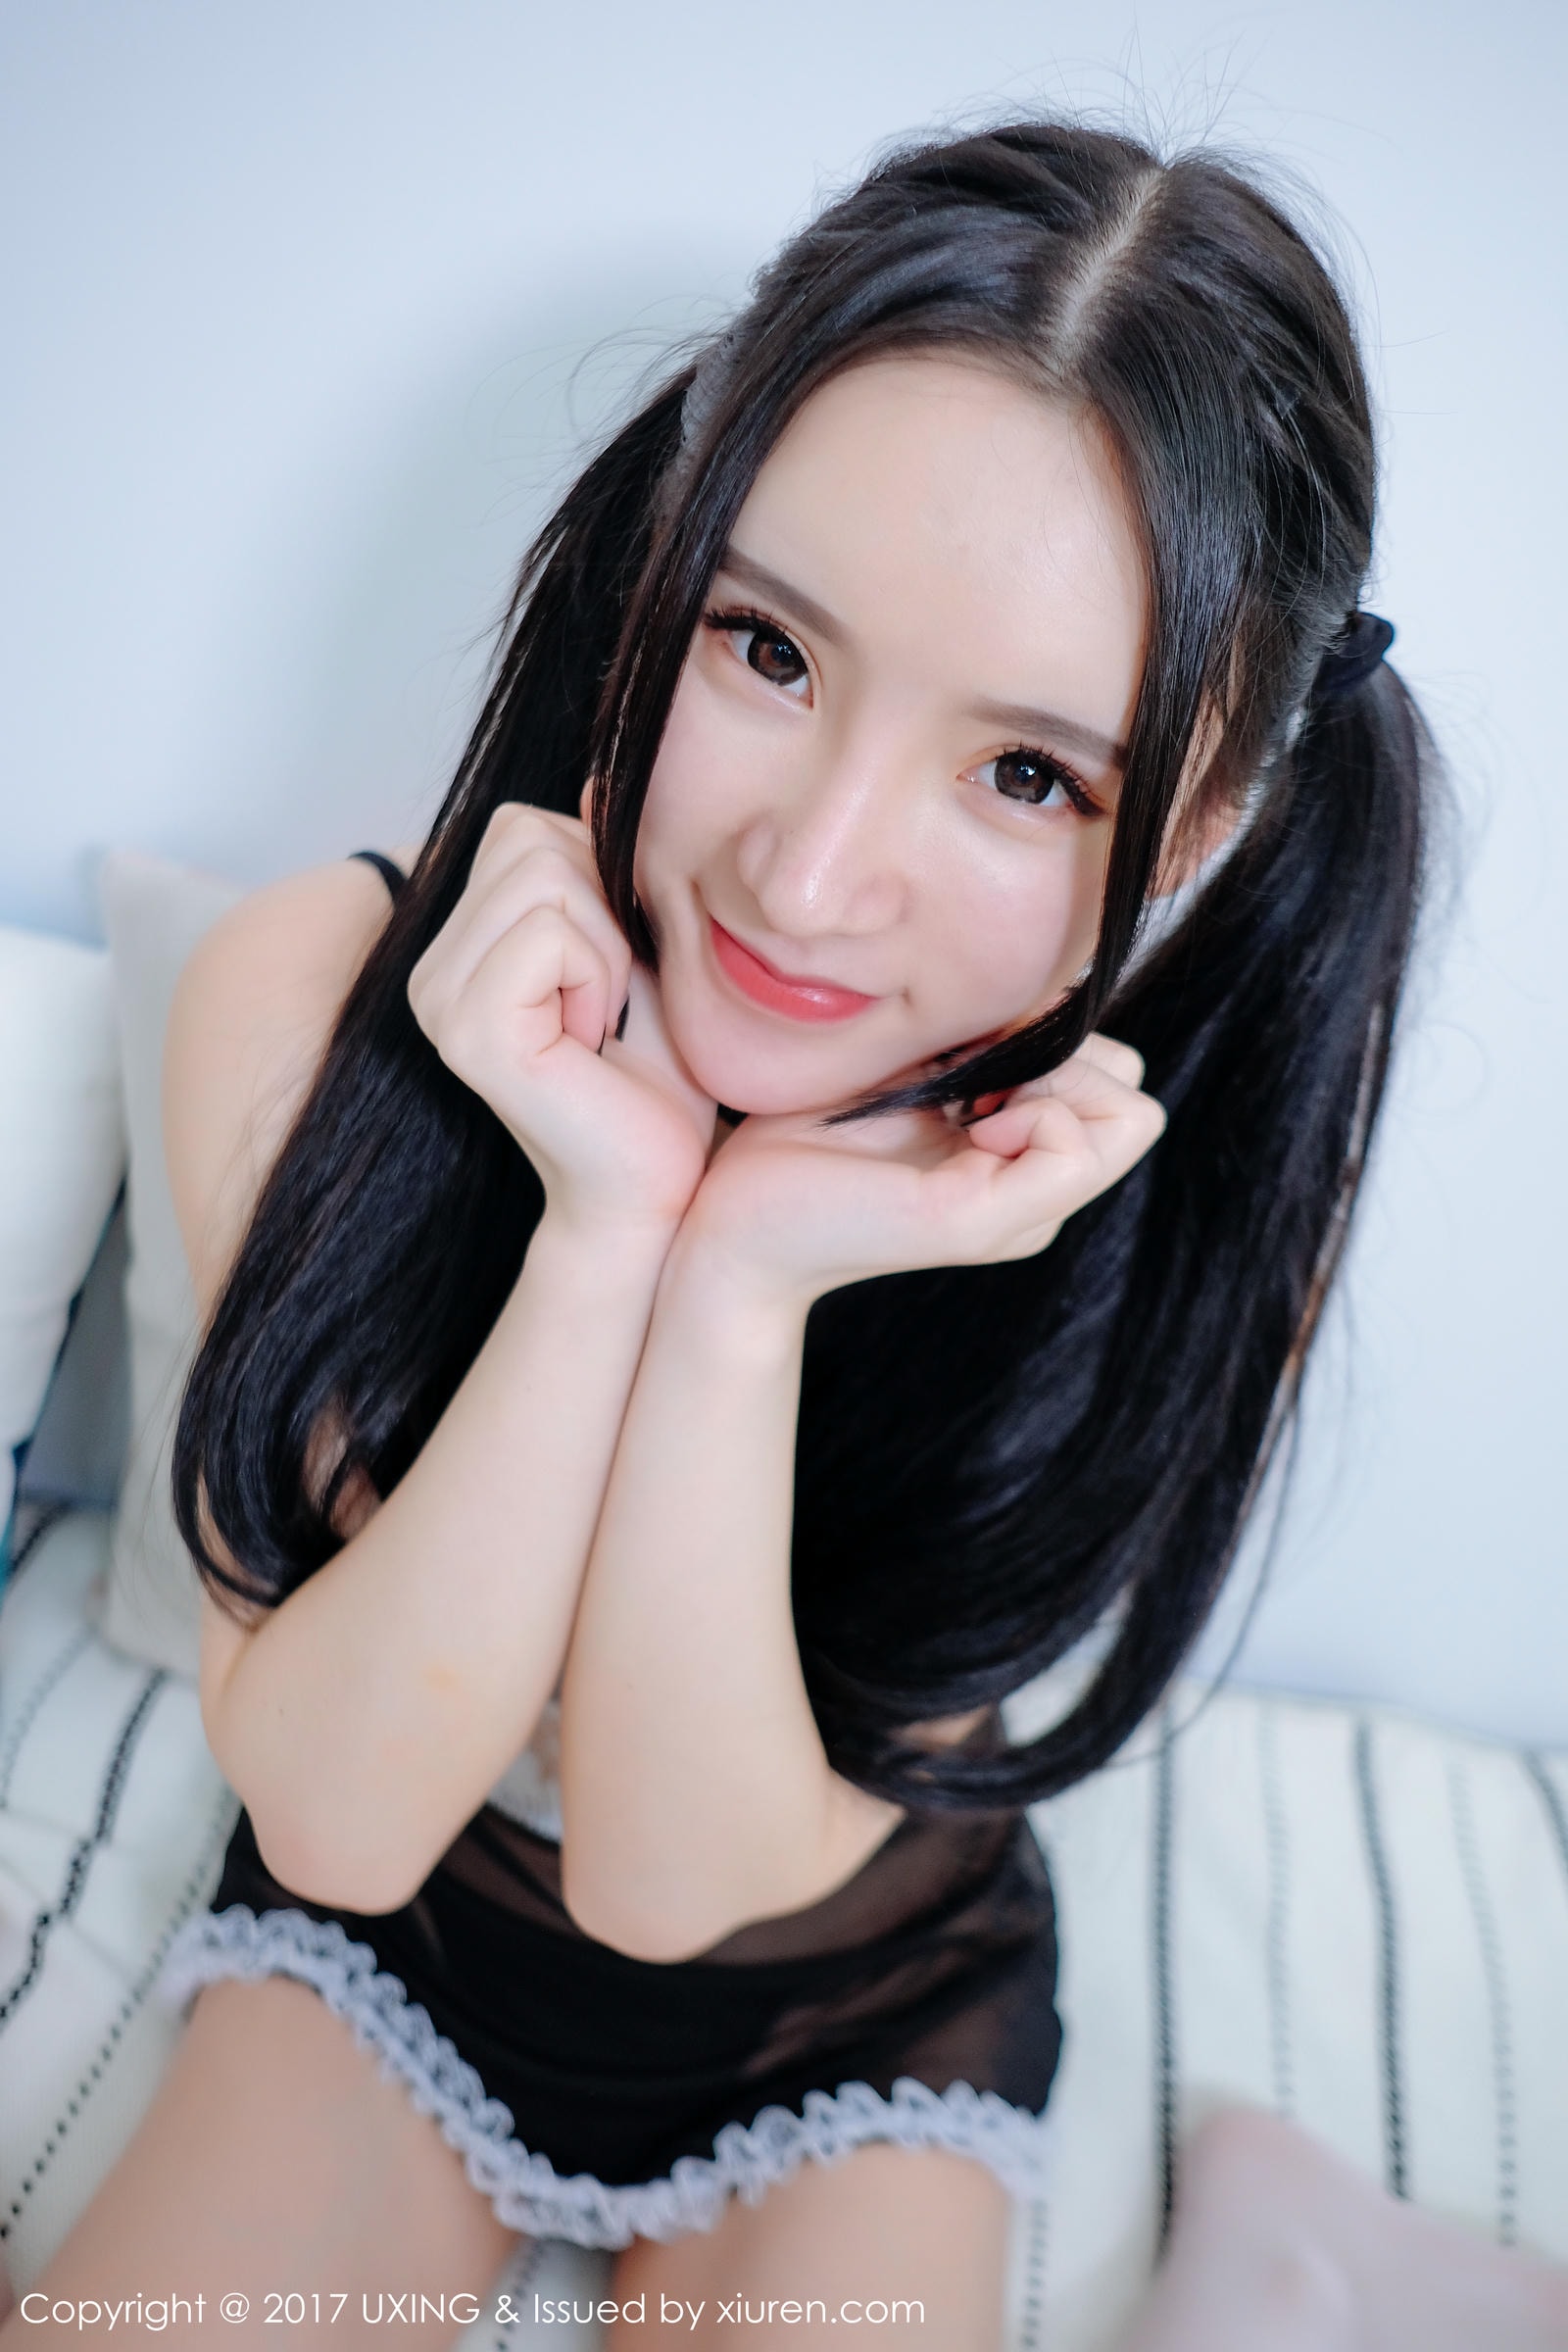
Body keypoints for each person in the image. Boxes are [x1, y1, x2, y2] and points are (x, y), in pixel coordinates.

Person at [6, 115, 1551, 2351]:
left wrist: (742, 1289)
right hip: (395, 1924)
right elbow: (339, 1816)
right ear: (664, 571)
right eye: (767, 648)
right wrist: (604, 1222)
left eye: (1027, 776)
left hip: (848, 1981)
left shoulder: (1160, 1211)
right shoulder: (309, 999)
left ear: (1198, 825)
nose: (808, 880)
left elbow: (676, 1878)